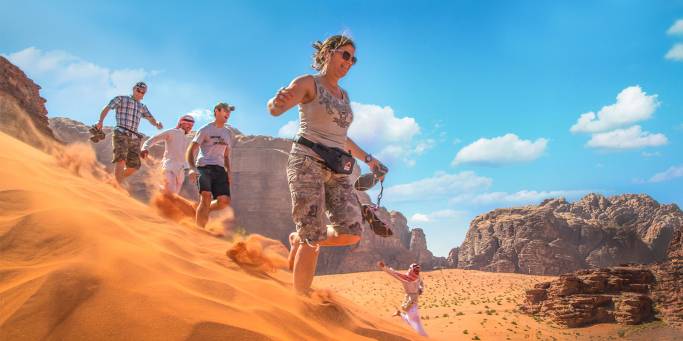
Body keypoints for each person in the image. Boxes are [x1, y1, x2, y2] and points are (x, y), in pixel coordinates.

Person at [267, 34, 388, 294]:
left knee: (353, 231)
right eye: (345, 55)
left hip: (337, 168)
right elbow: (276, 109)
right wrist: (276, 103)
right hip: (306, 161)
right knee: (314, 238)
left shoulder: (344, 96)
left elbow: (342, 138)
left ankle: (299, 237)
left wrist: (369, 159)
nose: (349, 62)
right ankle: (301, 305)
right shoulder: (308, 82)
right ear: (328, 53)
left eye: (353, 59)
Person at [96, 82, 163, 185]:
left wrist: (156, 123)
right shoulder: (121, 99)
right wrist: (100, 121)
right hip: (121, 132)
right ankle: (118, 187)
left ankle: (114, 180)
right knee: (121, 159)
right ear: (133, 89)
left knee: (134, 166)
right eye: (138, 90)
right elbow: (108, 108)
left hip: (134, 137)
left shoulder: (142, 106)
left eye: (142, 92)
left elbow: (150, 118)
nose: (140, 93)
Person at [186, 102, 235, 228]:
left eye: (230, 111)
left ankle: (204, 208)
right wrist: (192, 168)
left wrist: (229, 171)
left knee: (224, 201)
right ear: (216, 111)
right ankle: (199, 232)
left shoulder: (228, 133)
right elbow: (191, 150)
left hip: (220, 170)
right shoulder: (205, 130)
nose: (228, 113)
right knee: (206, 197)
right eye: (225, 110)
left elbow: (226, 156)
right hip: (204, 167)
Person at [140, 114, 195, 195]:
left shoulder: (188, 138)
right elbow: (154, 138)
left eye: (191, 125)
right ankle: (158, 188)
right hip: (169, 166)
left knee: (173, 195)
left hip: (181, 171)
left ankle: (161, 200)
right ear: (181, 123)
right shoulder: (172, 132)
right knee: (171, 191)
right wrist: (145, 148)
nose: (190, 126)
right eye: (187, 123)